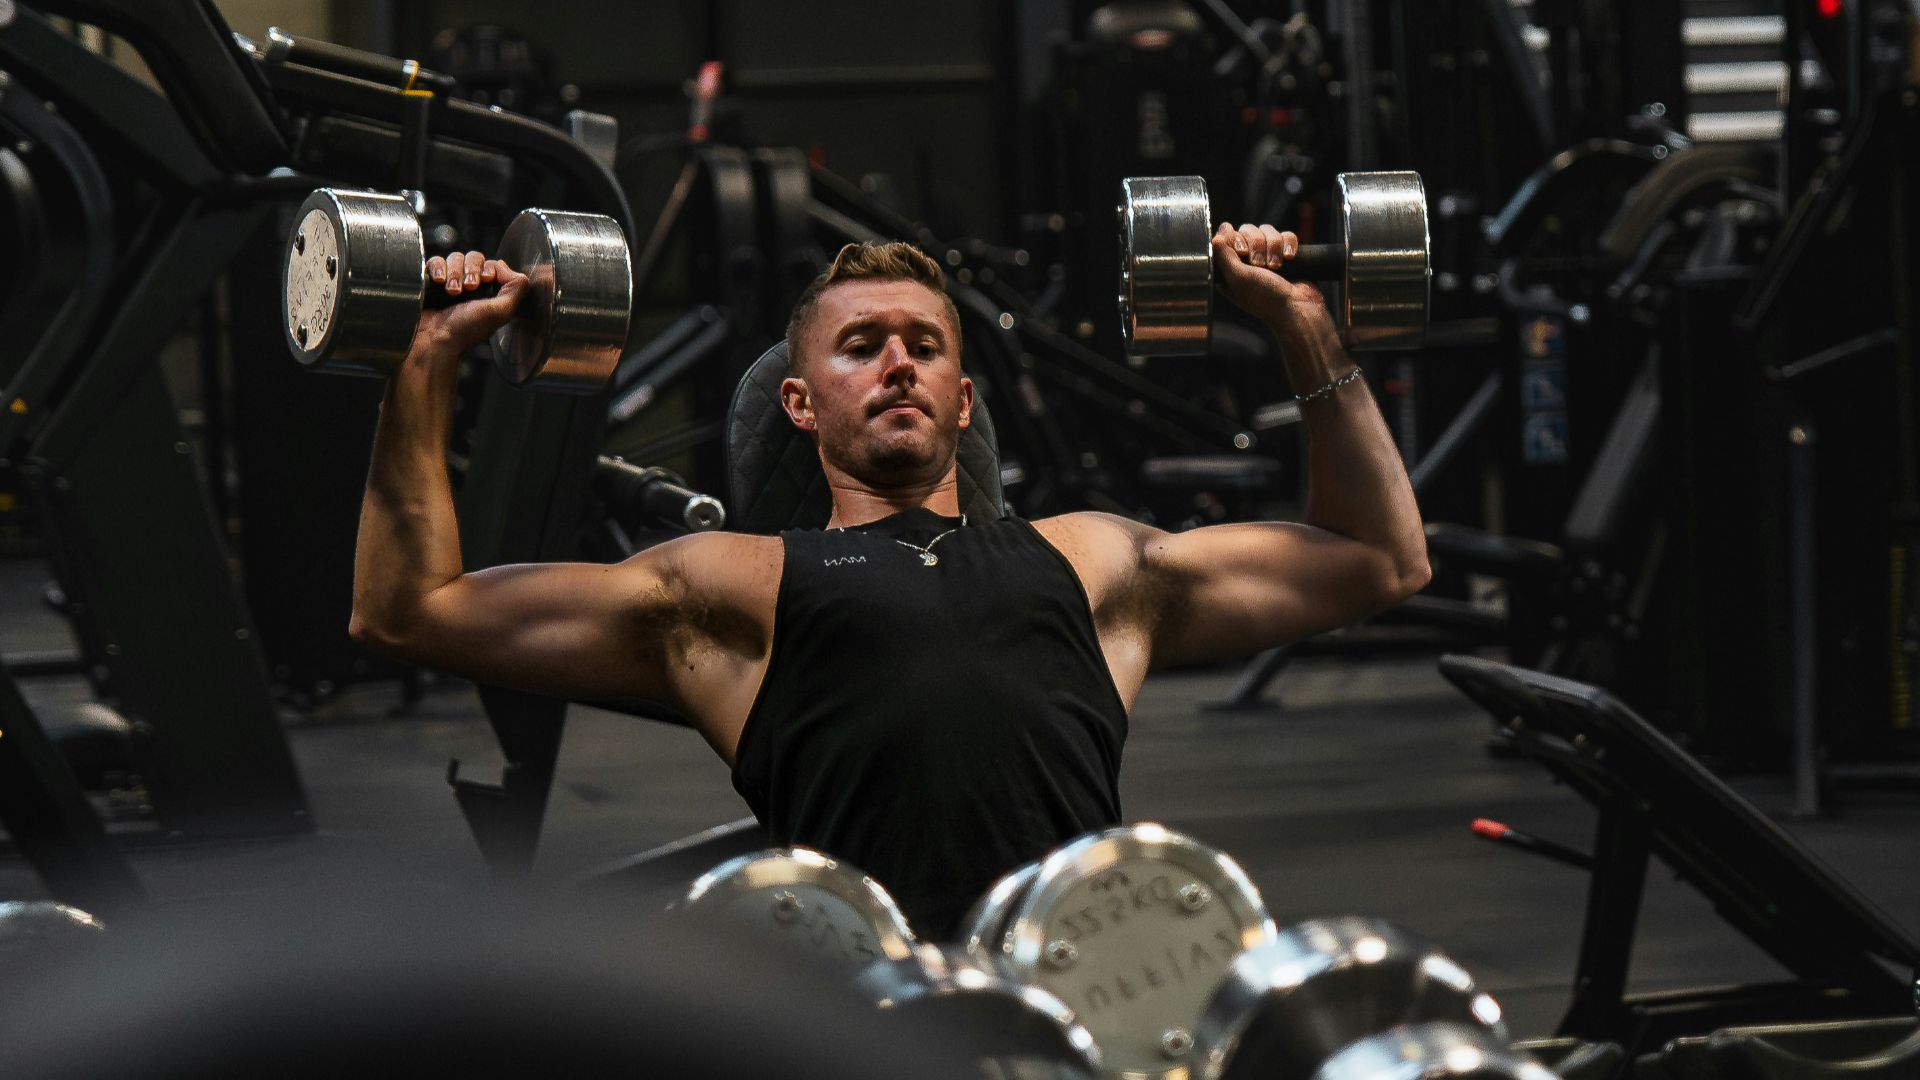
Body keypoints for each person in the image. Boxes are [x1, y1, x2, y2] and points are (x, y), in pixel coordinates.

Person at [349, 224, 1428, 937]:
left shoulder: (1094, 562)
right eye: (860, 345)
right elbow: (408, 610)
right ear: (802, 405)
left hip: (1070, 997)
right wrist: (428, 359)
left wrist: (1302, 325)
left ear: (964, 402)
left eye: (923, 345)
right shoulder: (733, 587)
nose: (898, 363)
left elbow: (1382, 559)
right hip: (864, 1015)